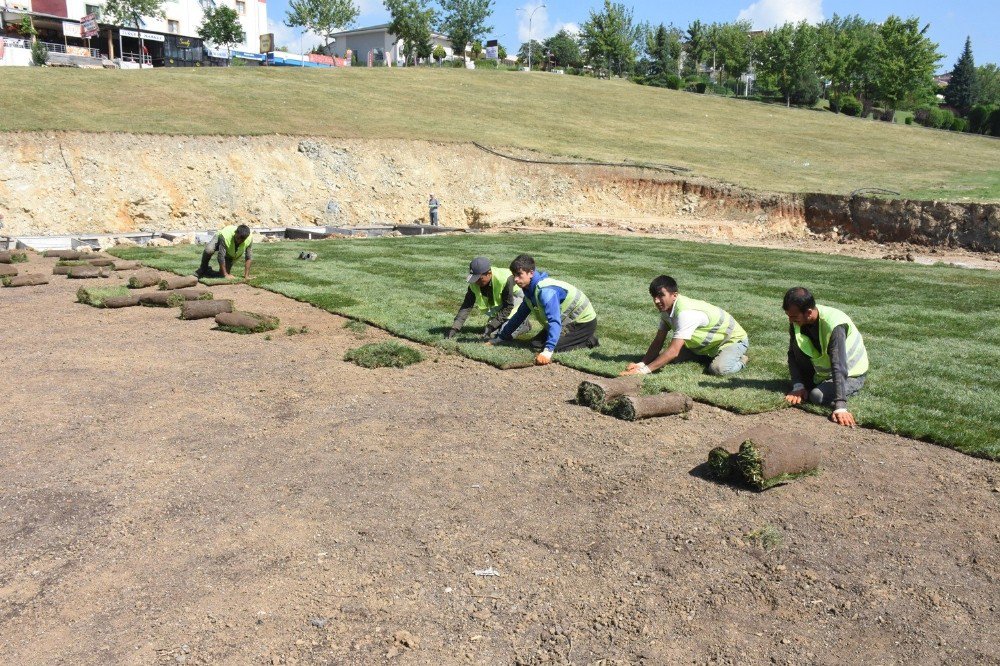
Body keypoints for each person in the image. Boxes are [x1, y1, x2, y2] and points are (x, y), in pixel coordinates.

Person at [621, 275, 749, 377]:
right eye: (654, 296)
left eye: (661, 295)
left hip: (731, 341)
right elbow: (658, 341)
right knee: (667, 359)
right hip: (706, 346)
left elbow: (673, 351)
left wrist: (644, 371)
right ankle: (705, 356)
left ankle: (742, 360)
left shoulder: (685, 313)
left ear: (674, 295)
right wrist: (642, 363)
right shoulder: (667, 310)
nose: (656, 301)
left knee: (718, 370)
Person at [782, 286, 869, 427]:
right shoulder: (797, 320)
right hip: (824, 372)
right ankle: (810, 384)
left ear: (809, 312)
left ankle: (853, 386)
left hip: (851, 373)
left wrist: (840, 405)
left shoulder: (834, 325)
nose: (790, 321)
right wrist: (798, 385)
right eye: (788, 316)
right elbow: (792, 354)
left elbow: (838, 363)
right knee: (806, 383)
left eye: (793, 317)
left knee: (816, 396)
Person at [492, 254, 599, 365]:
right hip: (566, 321)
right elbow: (519, 315)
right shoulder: (529, 289)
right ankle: (576, 338)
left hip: (582, 322)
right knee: (535, 344)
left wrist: (548, 351)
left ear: (531, 273)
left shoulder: (545, 292)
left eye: (519, 274)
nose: (516, 279)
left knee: (553, 348)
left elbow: (554, 321)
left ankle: (589, 340)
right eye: (514, 275)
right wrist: (501, 338)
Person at [444, 256, 534, 340]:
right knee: (492, 334)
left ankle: (524, 324)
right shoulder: (474, 283)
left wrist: (491, 325)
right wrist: (455, 327)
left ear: (489, 274)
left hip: (518, 303)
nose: (476, 282)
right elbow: (467, 305)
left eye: (479, 279)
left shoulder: (504, 279)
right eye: (474, 278)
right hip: (504, 305)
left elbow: (508, 306)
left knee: (502, 334)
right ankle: (508, 323)